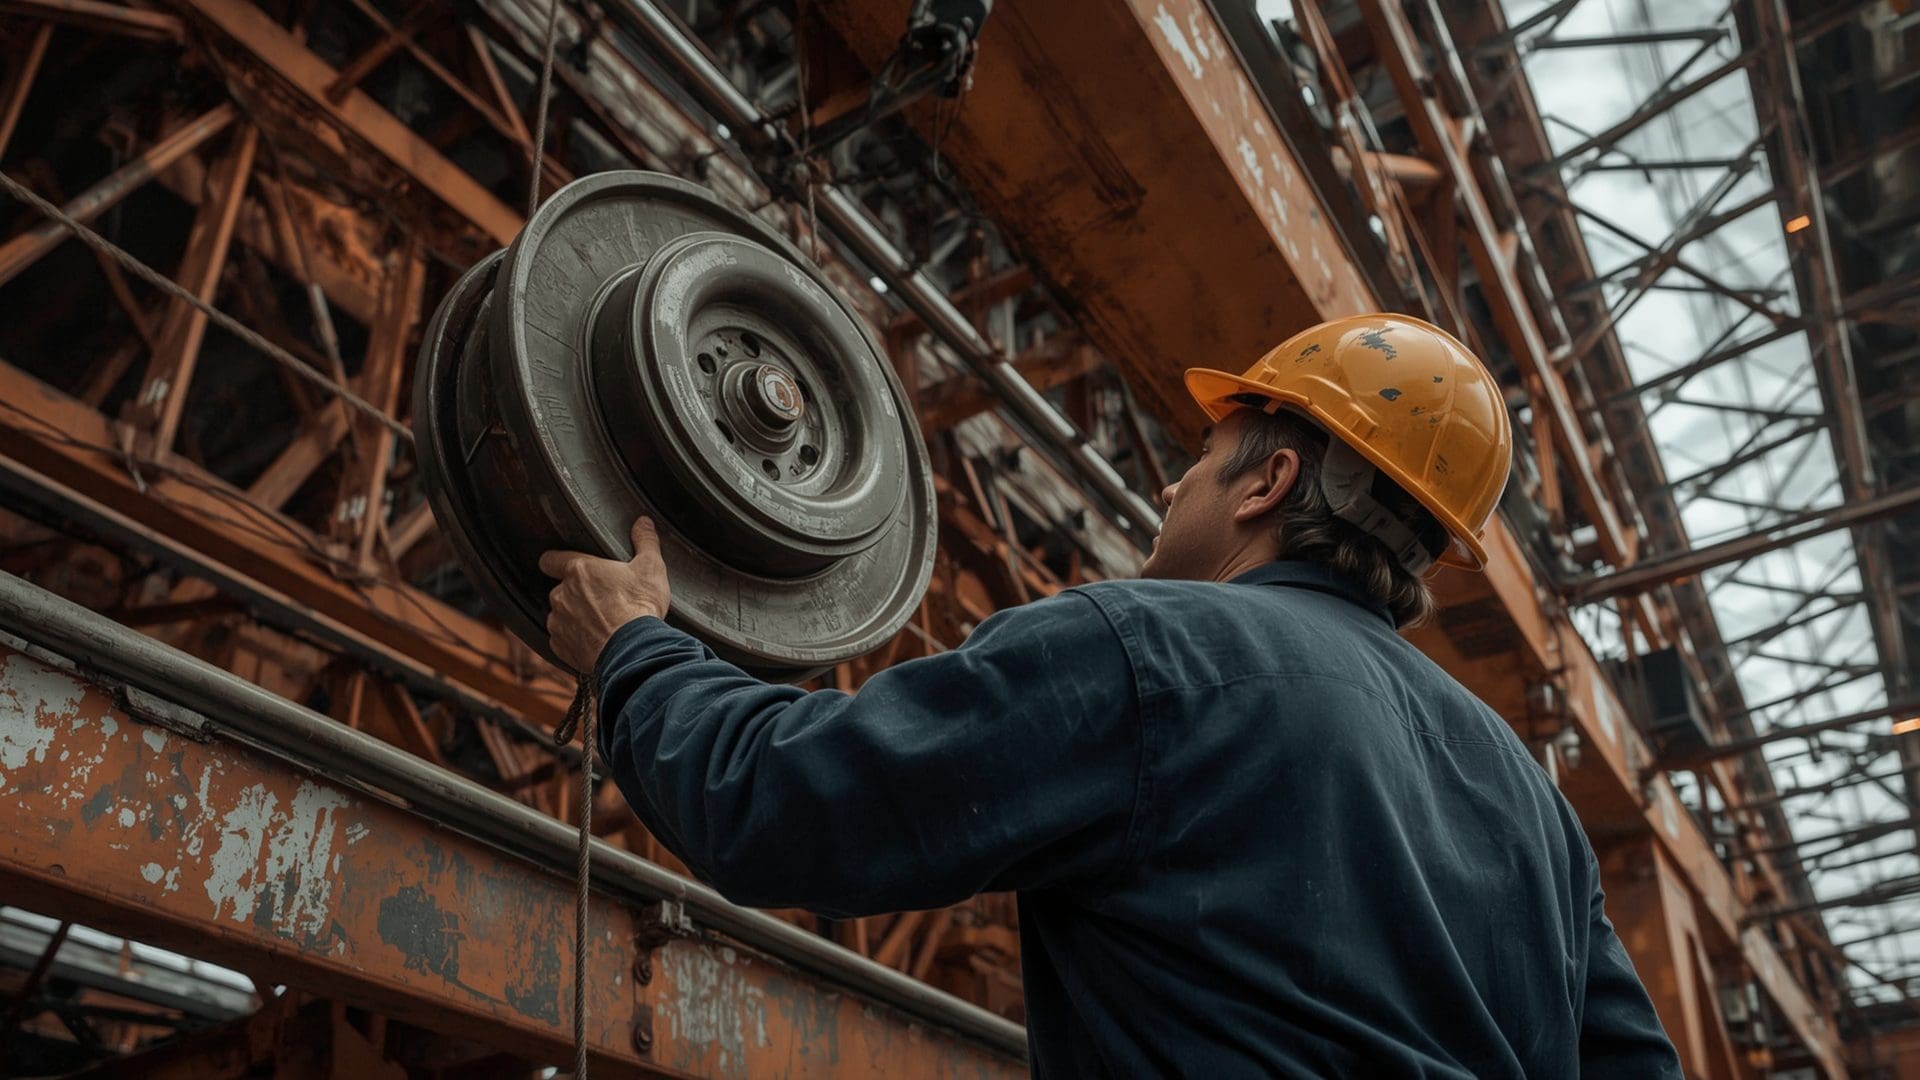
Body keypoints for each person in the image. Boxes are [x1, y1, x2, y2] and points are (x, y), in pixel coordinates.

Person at [540, 313, 1681, 1077]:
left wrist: (634, 650)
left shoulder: (1149, 652)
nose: (1172, 476)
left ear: (1271, 481)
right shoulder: (1539, 812)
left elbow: (792, 805)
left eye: (1204, 449)